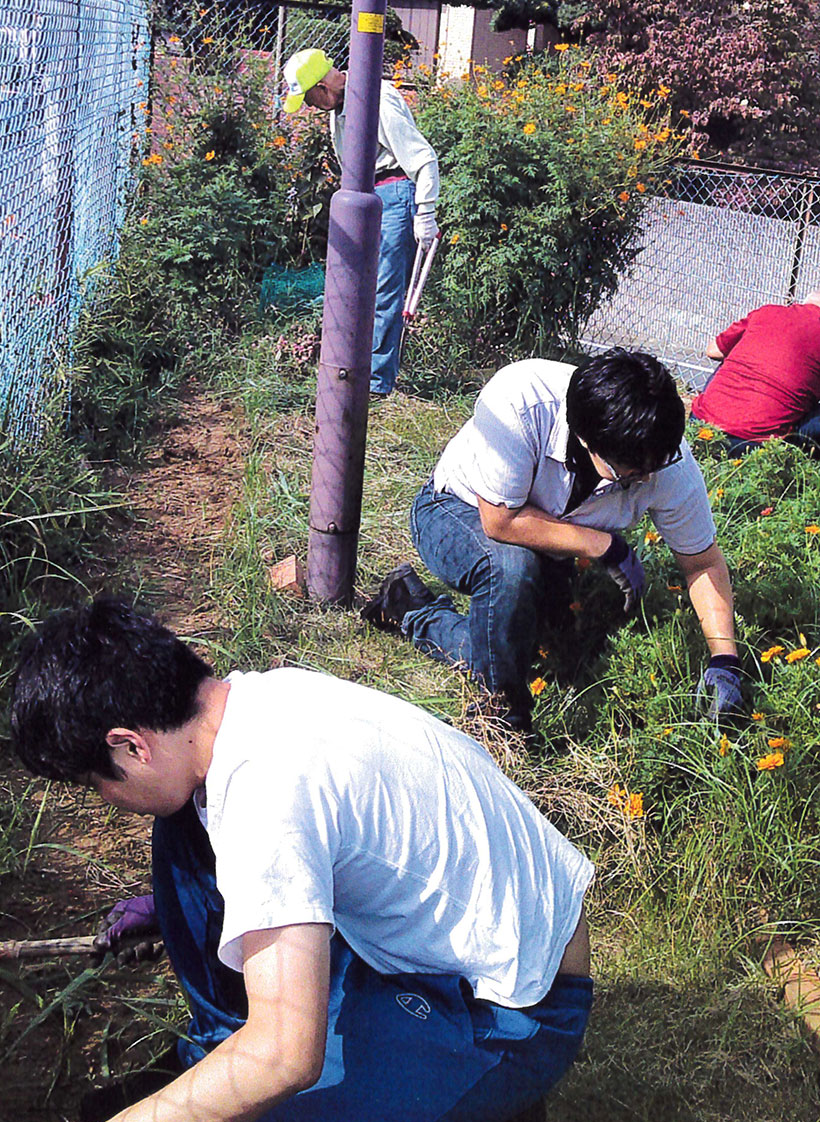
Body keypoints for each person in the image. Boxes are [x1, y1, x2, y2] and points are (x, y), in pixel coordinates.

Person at [0, 595, 594, 1122]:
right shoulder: (257, 700)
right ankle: (449, 1119)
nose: (106, 799)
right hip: (490, 931)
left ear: (131, 746)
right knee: (181, 826)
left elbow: (285, 1057)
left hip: (511, 1010)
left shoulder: (267, 795)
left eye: (95, 783)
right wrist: (174, 905)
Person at [362, 349, 742, 732]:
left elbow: (702, 563)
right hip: (453, 511)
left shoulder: (664, 459)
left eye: (654, 467)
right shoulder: (521, 400)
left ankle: (408, 607)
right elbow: (500, 522)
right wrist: (604, 546)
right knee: (511, 571)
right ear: (585, 438)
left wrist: (724, 661)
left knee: (532, 649)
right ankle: (503, 723)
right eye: (631, 471)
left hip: (548, 542)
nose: (645, 480)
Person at [282, 47, 439, 397]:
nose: (308, 106)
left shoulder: (376, 99)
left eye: (308, 97)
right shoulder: (338, 108)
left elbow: (423, 158)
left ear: (323, 87)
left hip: (396, 193)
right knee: (356, 288)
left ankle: (378, 385)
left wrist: (425, 211)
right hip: (366, 198)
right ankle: (354, 368)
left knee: (384, 292)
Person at [691, 291, 820, 454]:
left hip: (700, 425)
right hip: (755, 444)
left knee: (730, 355)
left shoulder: (767, 312)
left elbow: (713, 351)